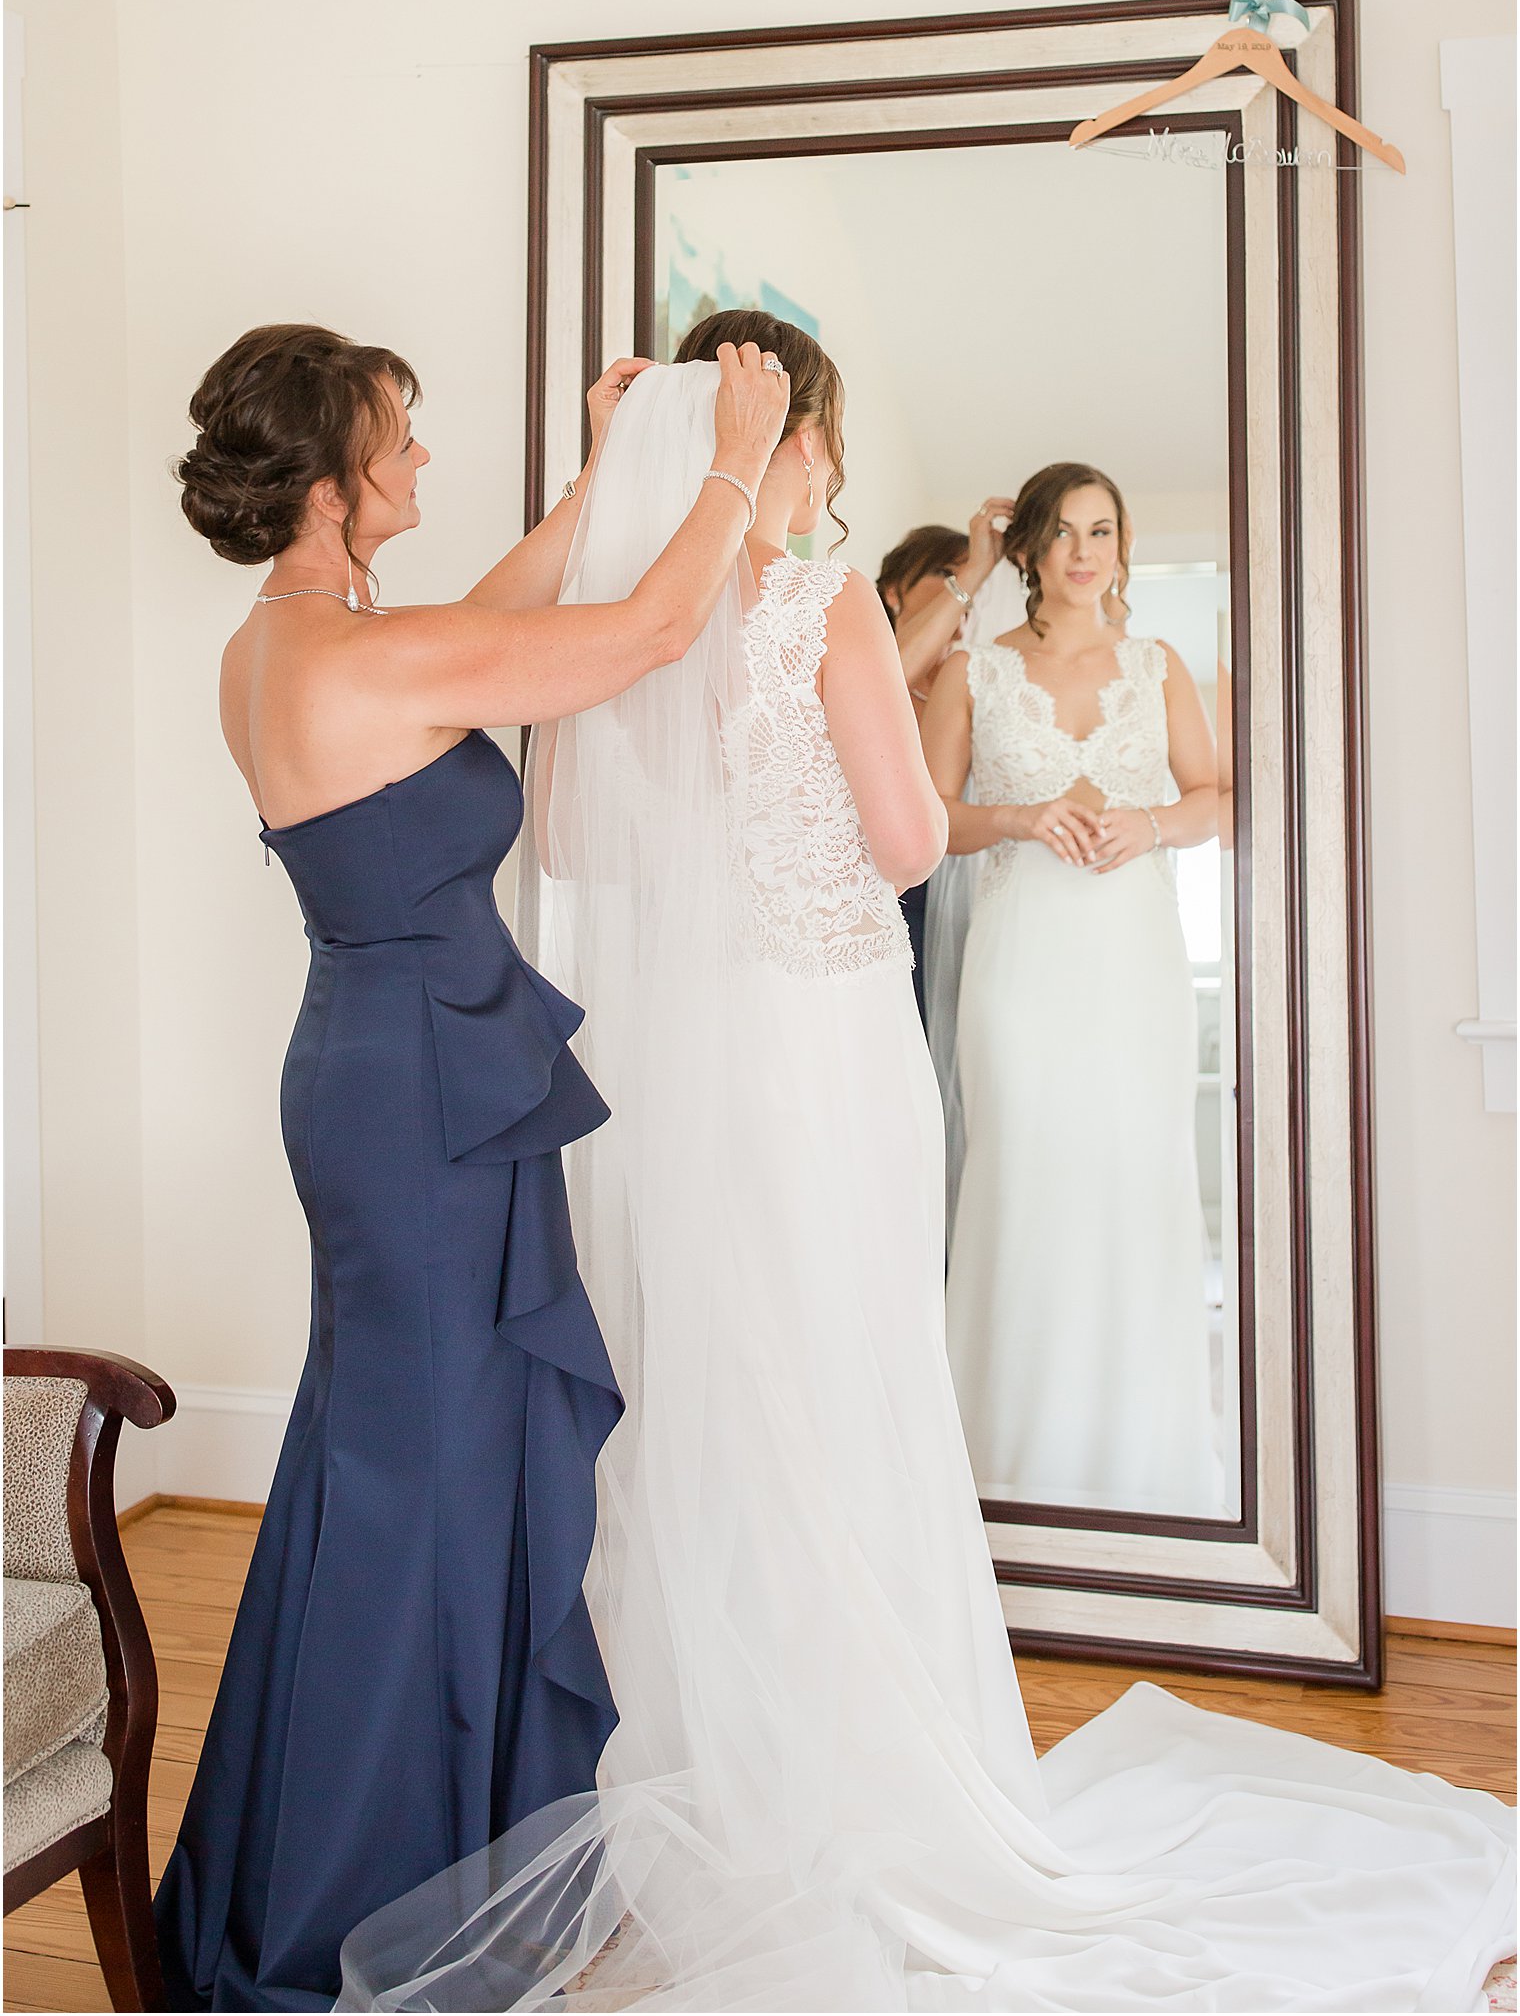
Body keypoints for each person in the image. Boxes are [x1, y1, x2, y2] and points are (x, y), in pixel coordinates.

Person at [339, 321, 1513, 2014]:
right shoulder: (819, 606)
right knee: (847, 1375)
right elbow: (902, 843)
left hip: (677, 1066)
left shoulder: (626, 631)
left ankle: (714, 1747)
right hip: (820, 1047)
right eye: (815, 440)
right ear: (795, 437)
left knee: (714, 1384)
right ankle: (861, 1753)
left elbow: (580, 843)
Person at [153, 322, 789, 2010]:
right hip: (414, 1104)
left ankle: (431, 1841)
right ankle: (342, 1896)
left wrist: (599, 475)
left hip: (404, 1077)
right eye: (405, 442)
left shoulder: (304, 637)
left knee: (413, 1469)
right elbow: (645, 633)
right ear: (339, 478)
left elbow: (491, 627)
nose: (425, 464)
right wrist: (742, 443)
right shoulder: (357, 662)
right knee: (407, 1486)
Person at [922, 463, 1224, 1516]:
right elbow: (923, 819)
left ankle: (1139, 1471)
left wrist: (1147, 826)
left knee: (1132, 1183)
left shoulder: (1157, 666)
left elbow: (1214, 795)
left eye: (1102, 531)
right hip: (1019, 961)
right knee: (1026, 1178)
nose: (1085, 552)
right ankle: (1000, 1473)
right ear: (1028, 550)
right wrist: (1014, 818)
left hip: (1131, 959)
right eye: (1064, 533)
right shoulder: (974, 674)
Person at [877, 510, 1011, 1018]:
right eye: (944, 573)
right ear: (894, 591)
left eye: (970, 576)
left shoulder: (979, 687)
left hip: (982, 889)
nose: (962, 587)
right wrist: (973, 572)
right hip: (900, 895)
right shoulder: (872, 675)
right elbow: (887, 682)